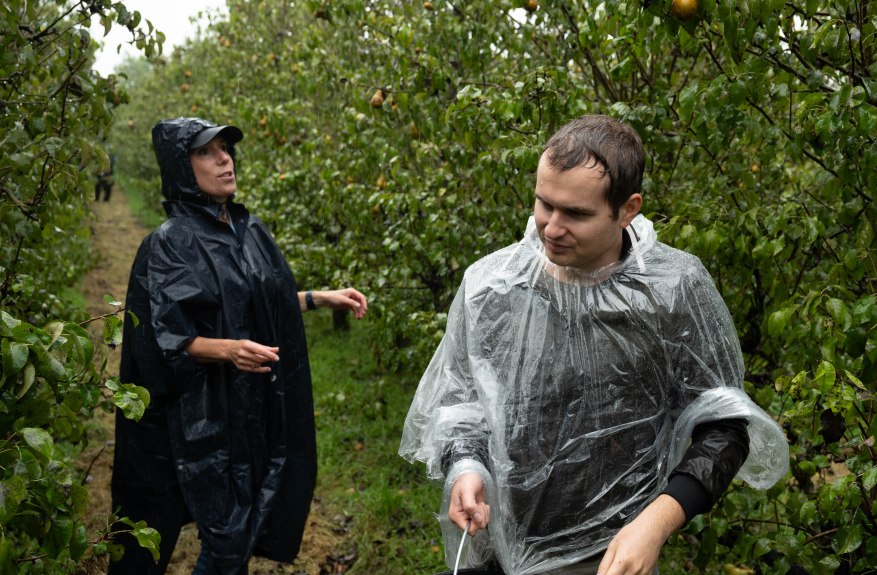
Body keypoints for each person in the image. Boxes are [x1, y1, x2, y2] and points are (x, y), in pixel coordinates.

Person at [399, 115, 788, 575]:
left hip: (609, 557)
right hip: (497, 548)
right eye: (544, 204)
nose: (551, 228)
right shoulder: (494, 287)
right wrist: (467, 466)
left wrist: (658, 521)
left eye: (576, 214)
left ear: (627, 209)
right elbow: (461, 402)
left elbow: (724, 428)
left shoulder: (671, 292)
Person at [109, 117, 369, 575]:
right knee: (185, 535)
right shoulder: (169, 245)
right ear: (182, 168)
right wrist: (229, 349)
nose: (224, 160)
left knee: (234, 533)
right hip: (196, 417)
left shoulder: (248, 230)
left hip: (246, 409)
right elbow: (164, 340)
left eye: (225, 149)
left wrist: (318, 298)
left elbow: (253, 301)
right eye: (206, 152)